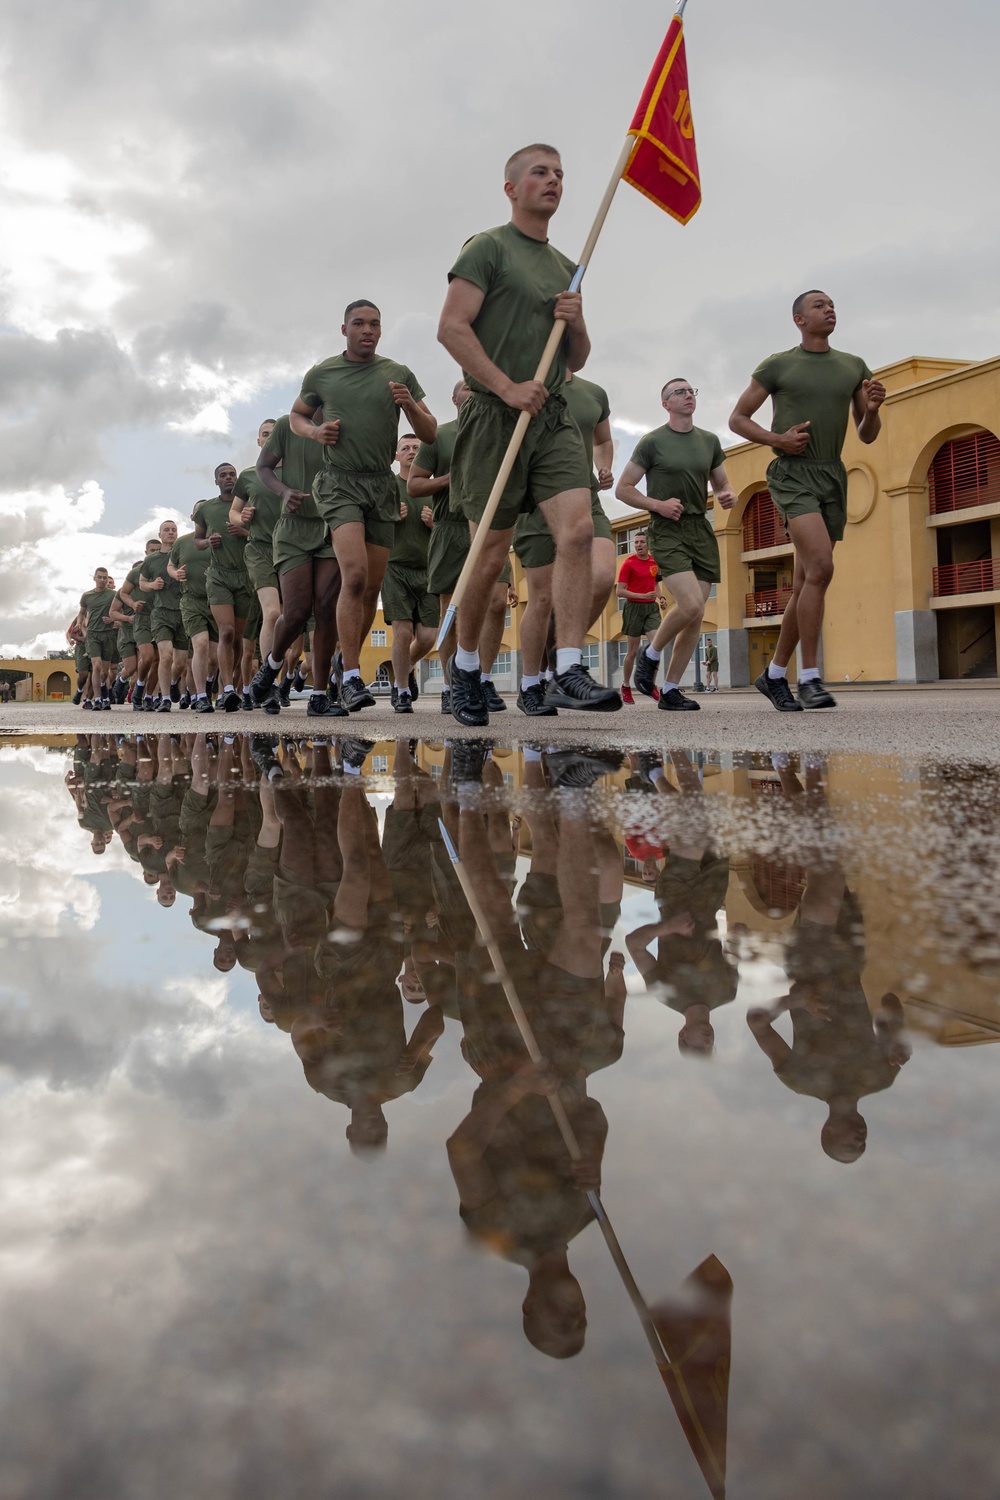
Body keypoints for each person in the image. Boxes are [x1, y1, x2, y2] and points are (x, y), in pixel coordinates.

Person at [437, 142, 621, 723]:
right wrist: (505, 385)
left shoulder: (570, 265)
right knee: (488, 559)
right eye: (540, 172)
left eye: (561, 174)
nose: (554, 181)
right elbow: (452, 328)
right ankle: (467, 670)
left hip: (553, 416)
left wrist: (578, 321)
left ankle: (567, 666)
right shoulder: (487, 248)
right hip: (495, 417)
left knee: (577, 533)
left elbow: (577, 360)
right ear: (511, 187)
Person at [730, 290, 885, 711]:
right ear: (798, 319)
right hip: (792, 473)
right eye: (819, 305)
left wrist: (870, 409)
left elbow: (867, 433)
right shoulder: (778, 364)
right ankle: (811, 678)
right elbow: (737, 418)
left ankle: (774, 673)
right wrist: (777, 439)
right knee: (821, 566)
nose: (829, 308)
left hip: (832, 474)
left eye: (832, 303)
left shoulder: (853, 366)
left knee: (806, 582)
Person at [288, 300, 436, 712]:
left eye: (374, 324)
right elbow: (296, 417)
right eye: (359, 323)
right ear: (344, 329)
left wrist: (409, 404)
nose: (367, 330)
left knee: (370, 588)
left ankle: (343, 658)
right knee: (353, 575)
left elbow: (430, 431)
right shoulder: (323, 373)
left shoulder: (397, 373)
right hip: (339, 484)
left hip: (381, 486)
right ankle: (352, 676)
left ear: (381, 331)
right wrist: (315, 432)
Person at [617, 379, 737, 711]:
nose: (688, 396)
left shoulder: (709, 441)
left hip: (700, 529)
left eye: (691, 391)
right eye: (679, 392)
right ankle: (650, 654)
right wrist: (657, 505)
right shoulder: (652, 442)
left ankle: (670, 690)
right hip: (667, 528)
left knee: (695, 617)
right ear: (665, 404)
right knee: (691, 605)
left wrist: (727, 493)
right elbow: (623, 489)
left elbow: (722, 481)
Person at [512, 368, 618, 716]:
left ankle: (563, 661)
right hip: (536, 498)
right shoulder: (524, 383)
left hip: (583, 492)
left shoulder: (593, 392)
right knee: (541, 598)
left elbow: (602, 440)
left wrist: (604, 466)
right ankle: (531, 684)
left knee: (602, 576)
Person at [407, 379, 513, 715]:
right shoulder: (438, 436)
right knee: (450, 610)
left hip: (491, 527)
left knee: (496, 603)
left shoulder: (501, 431)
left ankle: (481, 679)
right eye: (467, 387)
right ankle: (454, 686)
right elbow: (414, 484)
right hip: (450, 529)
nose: (473, 391)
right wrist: (451, 479)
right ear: (454, 398)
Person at [250, 414, 346, 718]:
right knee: (296, 612)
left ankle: (319, 696)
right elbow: (262, 467)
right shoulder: (286, 426)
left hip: (332, 526)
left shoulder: (345, 426)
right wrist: (283, 491)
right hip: (293, 528)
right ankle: (272, 665)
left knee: (327, 608)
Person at [383, 434, 436, 714]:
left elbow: (449, 525)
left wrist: (434, 523)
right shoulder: (389, 485)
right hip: (395, 567)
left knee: (428, 636)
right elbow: (372, 523)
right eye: (405, 448)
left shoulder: (432, 486)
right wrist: (391, 517)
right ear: (396, 455)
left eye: (417, 448)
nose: (412, 452)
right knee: (402, 632)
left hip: (428, 569)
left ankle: (404, 669)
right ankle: (401, 690)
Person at [193, 462, 252, 714]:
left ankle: (232, 685)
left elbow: (265, 533)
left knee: (238, 639)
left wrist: (243, 532)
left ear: (237, 480)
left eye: (232, 475)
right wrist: (208, 541)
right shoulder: (206, 509)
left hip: (245, 576)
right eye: (223, 475)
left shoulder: (249, 504)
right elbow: (197, 540)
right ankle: (227, 689)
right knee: (225, 632)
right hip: (218, 576)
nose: (228, 478)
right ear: (216, 481)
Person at [231, 419, 282, 670]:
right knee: (272, 613)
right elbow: (233, 513)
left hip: (293, 549)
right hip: (260, 548)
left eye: (275, 434)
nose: (269, 437)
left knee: (288, 619)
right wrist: (242, 518)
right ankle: (268, 677)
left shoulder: (299, 472)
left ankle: (281, 674)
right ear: (259, 441)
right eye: (265, 434)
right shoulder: (249, 475)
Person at [168, 523, 218, 714]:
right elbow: (171, 565)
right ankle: (202, 697)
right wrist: (175, 573)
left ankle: (208, 682)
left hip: (216, 600)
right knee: (201, 644)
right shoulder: (182, 543)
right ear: (194, 518)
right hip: (191, 600)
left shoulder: (219, 539)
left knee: (213, 659)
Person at [613, 532, 666, 705]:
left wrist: (661, 597)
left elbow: (656, 584)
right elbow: (619, 591)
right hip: (633, 608)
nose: (639, 545)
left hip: (651, 608)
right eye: (636, 542)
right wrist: (641, 596)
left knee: (656, 647)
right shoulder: (628, 564)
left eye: (642, 542)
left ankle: (650, 685)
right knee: (632, 651)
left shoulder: (653, 562)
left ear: (647, 544)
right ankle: (626, 686)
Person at [138, 518, 185, 712]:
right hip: (161, 612)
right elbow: (142, 582)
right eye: (166, 530)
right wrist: (152, 585)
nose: (171, 532)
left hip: (183, 612)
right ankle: (165, 698)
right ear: (160, 535)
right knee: (165, 656)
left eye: (173, 529)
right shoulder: (151, 560)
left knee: (181, 663)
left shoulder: (183, 554)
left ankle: (173, 682)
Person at [119, 536, 162, 712]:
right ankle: (139, 688)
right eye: (152, 550)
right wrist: (132, 605)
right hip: (143, 619)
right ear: (146, 553)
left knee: (159, 660)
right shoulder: (137, 572)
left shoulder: (167, 570)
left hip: (161, 618)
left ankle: (149, 696)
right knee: (148, 657)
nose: (156, 553)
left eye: (158, 551)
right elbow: (123, 593)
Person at [76, 567, 117, 711]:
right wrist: (79, 623)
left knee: (105, 672)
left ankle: (103, 692)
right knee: (96, 665)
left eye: (105, 577)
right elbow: (81, 613)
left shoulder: (113, 595)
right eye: (99, 577)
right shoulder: (87, 596)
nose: (103, 580)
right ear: (94, 578)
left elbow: (120, 613)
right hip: (92, 634)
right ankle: (98, 699)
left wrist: (112, 619)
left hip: (108, 634)